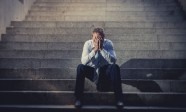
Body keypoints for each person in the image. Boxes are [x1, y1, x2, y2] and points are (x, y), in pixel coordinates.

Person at [74, 27, 124, 108]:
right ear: (92, 37)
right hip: (92, 71)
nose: (97, 40)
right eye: (95, 38)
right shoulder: (88, 44)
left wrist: (101, 49)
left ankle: (119, 99)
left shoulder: (108, 43)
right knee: (80, 67)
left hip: (104, 71)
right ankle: (78, 99)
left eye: (99, 38)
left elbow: (113, 60)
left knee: (115, 67)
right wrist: (94, 50)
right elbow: (83, 61)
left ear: (103, 37)